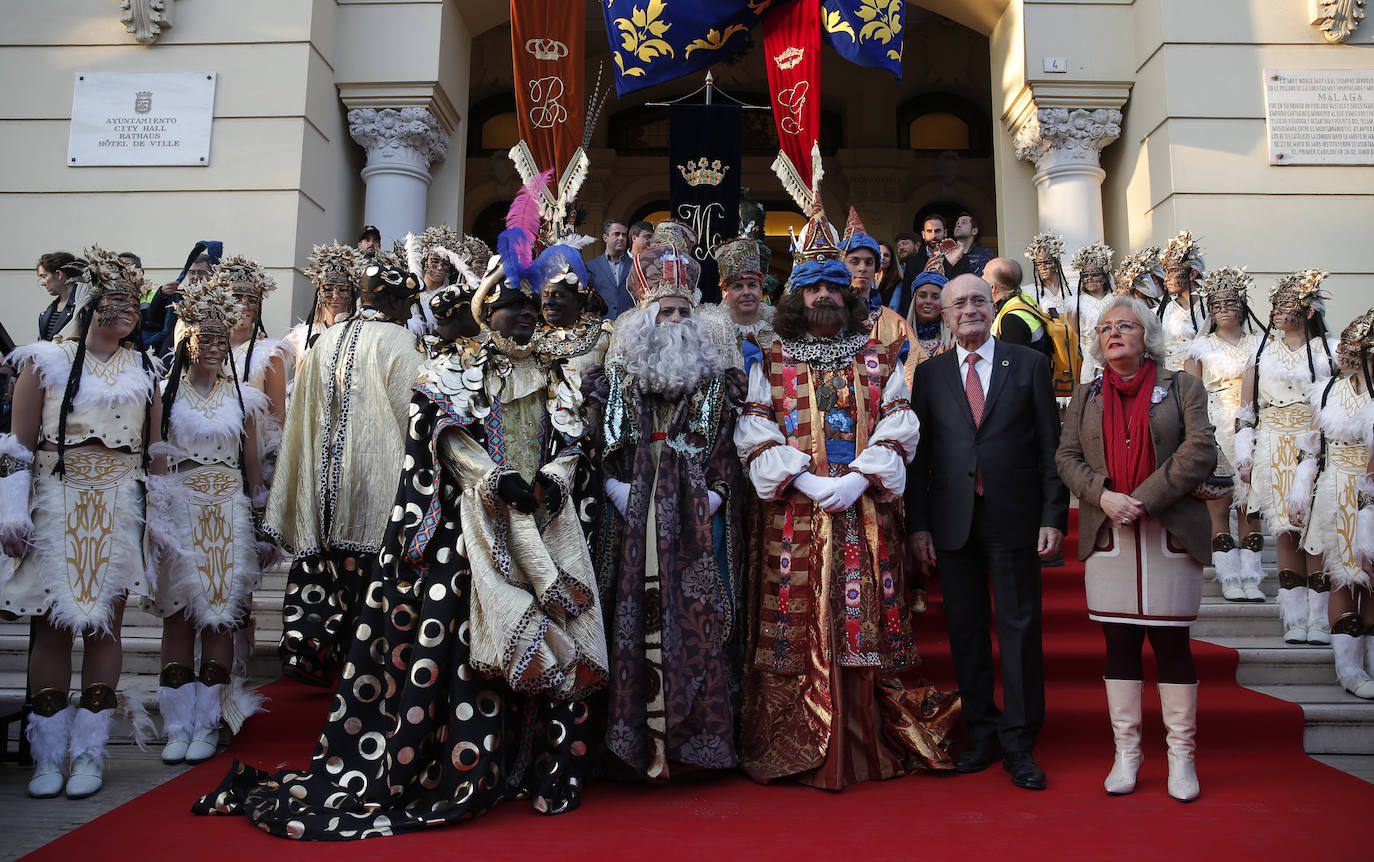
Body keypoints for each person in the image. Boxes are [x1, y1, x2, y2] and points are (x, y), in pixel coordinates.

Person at [192, 254, 607, 837]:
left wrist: (555, 477)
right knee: (473, 647)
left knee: (554, 640)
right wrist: (490, 478)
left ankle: (535, 764)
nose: (523, 316)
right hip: (472, 533)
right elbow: (438, 432)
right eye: (511, 307)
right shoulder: (455, 367)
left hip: (544, 527)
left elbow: (572, 437)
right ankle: (474, 761)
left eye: (530, 308)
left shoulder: (553, 371)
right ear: (487, 313)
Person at [735, 206, 953, 790]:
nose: (826, 295)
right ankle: (796, 739)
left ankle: (862, 745)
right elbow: (755, 427)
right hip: (793, 515)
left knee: (861, 622)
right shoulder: (772, 358)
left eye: (835, 285)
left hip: (865, 513)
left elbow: (900, 423)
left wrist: (857, 477)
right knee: (796, 620)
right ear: (796, 299)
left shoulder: (879, 357)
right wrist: (804, 479)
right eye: (814, 288)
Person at [2, 247, 174, 799]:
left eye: (132, 302)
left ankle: (90, 752)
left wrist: (160, 522)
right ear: (90, 300)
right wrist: (11, 509)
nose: (126, 311)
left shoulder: (146, 367)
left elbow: (155, 454)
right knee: (53, 625)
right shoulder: (44, 360)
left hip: (118, 502)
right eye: (115, 300)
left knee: (106, 624)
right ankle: (49, 755)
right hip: (58, 498)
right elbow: (17, 448)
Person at [583, 233, 746, 780]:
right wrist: (615, 487)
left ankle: (696, 739)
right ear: (646, 316)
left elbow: (729, 441)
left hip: (699, 509)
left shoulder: (718, 380)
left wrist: (718, 492)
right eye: (665, 310)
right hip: (633, 502)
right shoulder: (620, 373)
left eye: (683, 310)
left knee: (703, 613)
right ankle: (632, 741)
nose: (675, 319)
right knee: (628, 610)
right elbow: (602, 437)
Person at [907, 273, 1067, 791]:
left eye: (979, 300)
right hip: (953, 521)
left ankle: (1020, 743)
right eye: (958, 304)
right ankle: (982, 732)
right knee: (966, 631)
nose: (969, 310)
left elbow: (1051, 449)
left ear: (991, 305)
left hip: (1015, 516)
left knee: (1020, 631)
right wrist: (920, 527)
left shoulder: (1029, 364)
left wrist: (1053, 516)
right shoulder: (928, 376)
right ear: (945, 314)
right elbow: (918, 458)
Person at [1055, 294, 1216, 803]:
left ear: (1146, 335)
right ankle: (1127, 753)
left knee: (1171, 644)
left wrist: (1141, 499)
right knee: (1120, 644)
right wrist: (1103, 495)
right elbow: (1067, 456)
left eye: (1125, 325)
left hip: (1166, 530)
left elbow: (1200, 449)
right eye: (1105, 328)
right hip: (1110, 532)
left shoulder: (1182, 386)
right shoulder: (1085, 395)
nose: (1114, 333)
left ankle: (1180, 757)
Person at [263, 251, 423, 686]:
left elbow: (302, 416)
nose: (410, 314)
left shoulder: (324, 341)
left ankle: (319, 660)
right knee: (375, 588)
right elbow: (416, 418)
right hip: (378, 492)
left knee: (328, 576)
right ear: (391, 303)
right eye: (407, 305)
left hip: (322, 488)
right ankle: (369, 676)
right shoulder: (402, 344)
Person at [147, 278, 268, 766]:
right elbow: (153, 459)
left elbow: (253, 469)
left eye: (223, 339)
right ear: (186, 338)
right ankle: (178, 722)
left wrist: (262, 524)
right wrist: (154, 519)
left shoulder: (245, 398)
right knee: (178, 614)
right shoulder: (161, 392)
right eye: (206, 338)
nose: (216, 348)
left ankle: (210, 720)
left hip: (227, 508)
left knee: (218, 613)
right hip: (179, 504)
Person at [1235, 270, 1336, 645]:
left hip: (1313, 447)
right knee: (1285, 529)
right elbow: (1246, 411)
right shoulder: (1259, 352)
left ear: (1308, 310)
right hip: (1273, 444)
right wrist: (1245, 454)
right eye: (1275, 304)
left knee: (1316, 530)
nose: (1278, 310)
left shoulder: (1330, 351)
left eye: (1288, 304)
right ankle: (1294, 618)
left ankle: (1319, 619)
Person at [1288, 309, 1374, 698]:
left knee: (1370, 579)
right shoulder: (1325, 389)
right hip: (1334, 488)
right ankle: (1349, 668)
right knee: (1341, 573)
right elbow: (1312, 448)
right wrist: (1301, 491)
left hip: (1368, 490)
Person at [1183, 267, 1265, 602]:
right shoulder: (1199, 347)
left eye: (1231, 302)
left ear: (1243, 306)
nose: (1224, 308)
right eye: (1217, 303)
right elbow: (1190, 393)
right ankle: (1228, 573)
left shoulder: (1260, 344)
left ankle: (1251, 574)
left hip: (1255, 424)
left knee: (1252, 504)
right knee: (1220, 502)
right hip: (1214, 423)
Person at [696, 235, 778, 371]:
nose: (746, 292)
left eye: (752, 285)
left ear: (760, 290)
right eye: (738, 286)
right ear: (724, 292)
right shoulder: (709, 331)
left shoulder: (777, 330)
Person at [532, 243, 612, 376]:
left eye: (557, 296)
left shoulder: (604, 336)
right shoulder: (528, 339)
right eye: (545, 295)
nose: (548, 302)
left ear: (579, 301)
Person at [284, 242, 359, 371]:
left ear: (351, 293)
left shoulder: (359, 332)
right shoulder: (305, 334)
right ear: (319, 293)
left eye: (342, 290)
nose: (335, 296)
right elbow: (299, 381)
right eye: (328, 289)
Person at [1157, 231, 1209, 372]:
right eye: (1165, 272)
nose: (1166, 279)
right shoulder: (1163, 311)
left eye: (1172, 271)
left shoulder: (1211, 308)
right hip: (1170, 380)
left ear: (1192, 274)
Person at [1070, 242, 1114, 383]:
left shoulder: (1115, 298)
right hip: (1088, 354)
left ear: (1103, 275)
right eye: (1085, 275)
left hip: (1113, 349)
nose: (1088, 279)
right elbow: (1072, 335)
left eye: (1093, 275)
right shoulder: (1077, 302)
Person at [987, 257, 1047, 353]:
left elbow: (1015, 364)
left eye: (983, 275)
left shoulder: (1011, 319)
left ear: (993, 288)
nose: (980, 279)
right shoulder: (1024, 298)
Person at [587, 218, 633, 318]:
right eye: (616, 234)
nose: (621, 238)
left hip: (628, 325)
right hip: (601, 325)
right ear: (605, 238)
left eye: (624, 235)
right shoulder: (591, 266)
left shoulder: (634, 265)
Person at [904, 270, 951, 367]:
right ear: (914, 299)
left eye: (935, 297)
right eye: (923, 295)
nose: (928, 301)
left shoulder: (955, 343)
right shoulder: (899, 337)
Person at [36, 252, 83, 342]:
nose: (42, 282)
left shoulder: (84, 307)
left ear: (58, 274)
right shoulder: (48, 311)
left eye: (44, 276)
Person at [1024, 232, 1071, 317]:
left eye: (1047, 262)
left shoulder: (1072, 292)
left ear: (1056, 264)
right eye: (1039, 264)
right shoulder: (1029, 292)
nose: (1043, 267)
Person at [952, 212, 993, 277]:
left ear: (974, 231)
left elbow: (982, 278)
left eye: (964, 222)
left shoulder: (984, 254)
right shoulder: (948, 254)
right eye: (957, 223)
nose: (958, 225)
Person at [877, 240, 903, 310]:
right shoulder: (866, 277)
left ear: (891, 260)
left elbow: (894, 307)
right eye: (879, 254)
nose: (882, 258)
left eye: (886, 255)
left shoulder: (896, 280)